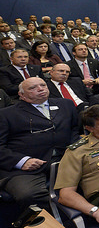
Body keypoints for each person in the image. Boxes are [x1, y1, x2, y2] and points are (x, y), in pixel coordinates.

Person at [0, 77, 79, 212]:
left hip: (65, 158)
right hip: (27, 166)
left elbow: (75, 130)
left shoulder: (66, 104)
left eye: (43, 85)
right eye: (32, 88)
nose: (40, 89)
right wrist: (22, 161)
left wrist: (75, 150)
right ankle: (55, 226)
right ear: (21, 94)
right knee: (28, 194)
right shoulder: (6, 114)